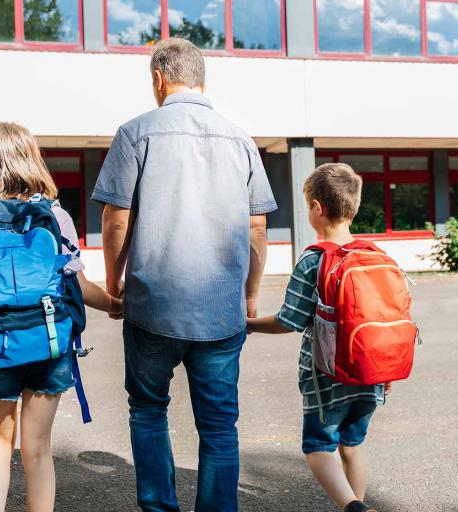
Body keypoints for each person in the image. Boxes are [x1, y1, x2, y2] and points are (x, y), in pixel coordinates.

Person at [91, 38, 276, 512]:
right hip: (220, 310)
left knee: (149, 411)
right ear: (202, 80)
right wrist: (249, 294)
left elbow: (116, 219)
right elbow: (257, 226)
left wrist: (114, 285)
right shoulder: (241, 139)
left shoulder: (135, 133)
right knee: (218, 426)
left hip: (152, 306)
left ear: (158, 79)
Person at [0, 122, 123, 512]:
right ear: (32, 160)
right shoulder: (55, 218)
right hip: (49, 344)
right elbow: (78, 285)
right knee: (38, 449)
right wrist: (114, 304)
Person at [247, 163, 391, 512]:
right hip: (372, 374)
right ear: (353, 206)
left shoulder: (313, 260)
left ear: (316, 208)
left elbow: (289, 320)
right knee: (352, 445)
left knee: (318, 447)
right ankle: (357, 505)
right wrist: (385, 373)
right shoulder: (377, 256)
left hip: (327, 380)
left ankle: (354, 508)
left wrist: (247, 324)